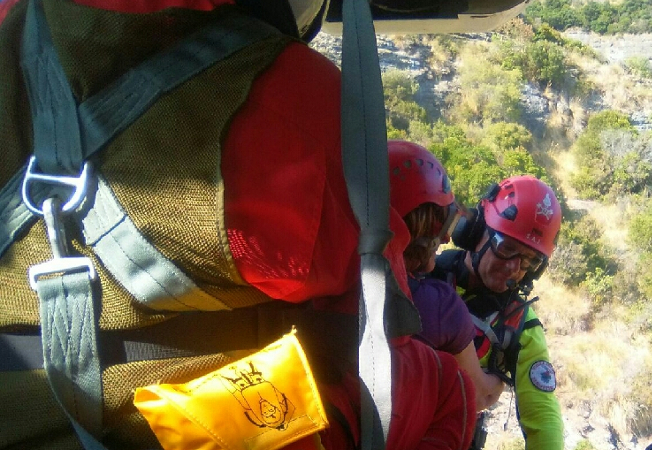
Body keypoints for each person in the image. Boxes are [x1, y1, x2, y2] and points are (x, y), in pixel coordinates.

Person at [0, 1, 475, 449]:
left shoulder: (12, 30)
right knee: (444, 387)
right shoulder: (283, 91)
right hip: (145, 426)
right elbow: (377, 319)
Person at [430, 175, 565, 450]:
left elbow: (543, 417)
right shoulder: (424, 274)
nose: (514, 268)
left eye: (529, 260)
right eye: (507, 248)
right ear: (476, 230)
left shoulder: (520, 325)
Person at [387, 140, 505, 411]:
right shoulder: (440, 306)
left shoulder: (335, 274)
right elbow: (479, 397)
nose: (449, 236)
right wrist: (498, 378)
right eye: (444, 223)